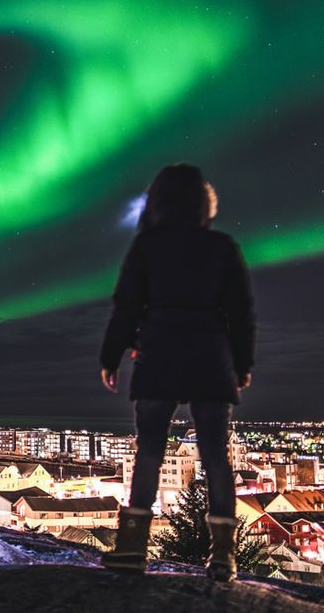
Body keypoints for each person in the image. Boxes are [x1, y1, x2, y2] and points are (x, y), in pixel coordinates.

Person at [98, 163, 255, 582]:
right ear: (205, 204)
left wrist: (111, 357)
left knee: (149, 450)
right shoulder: (223, 247)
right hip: (210, 354)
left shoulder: (147, 247)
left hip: (159, 352)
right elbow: (240, 313)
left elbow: (126, 307)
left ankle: (132, 549)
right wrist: (241, 365)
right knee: (216, 457)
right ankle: (223, 557)